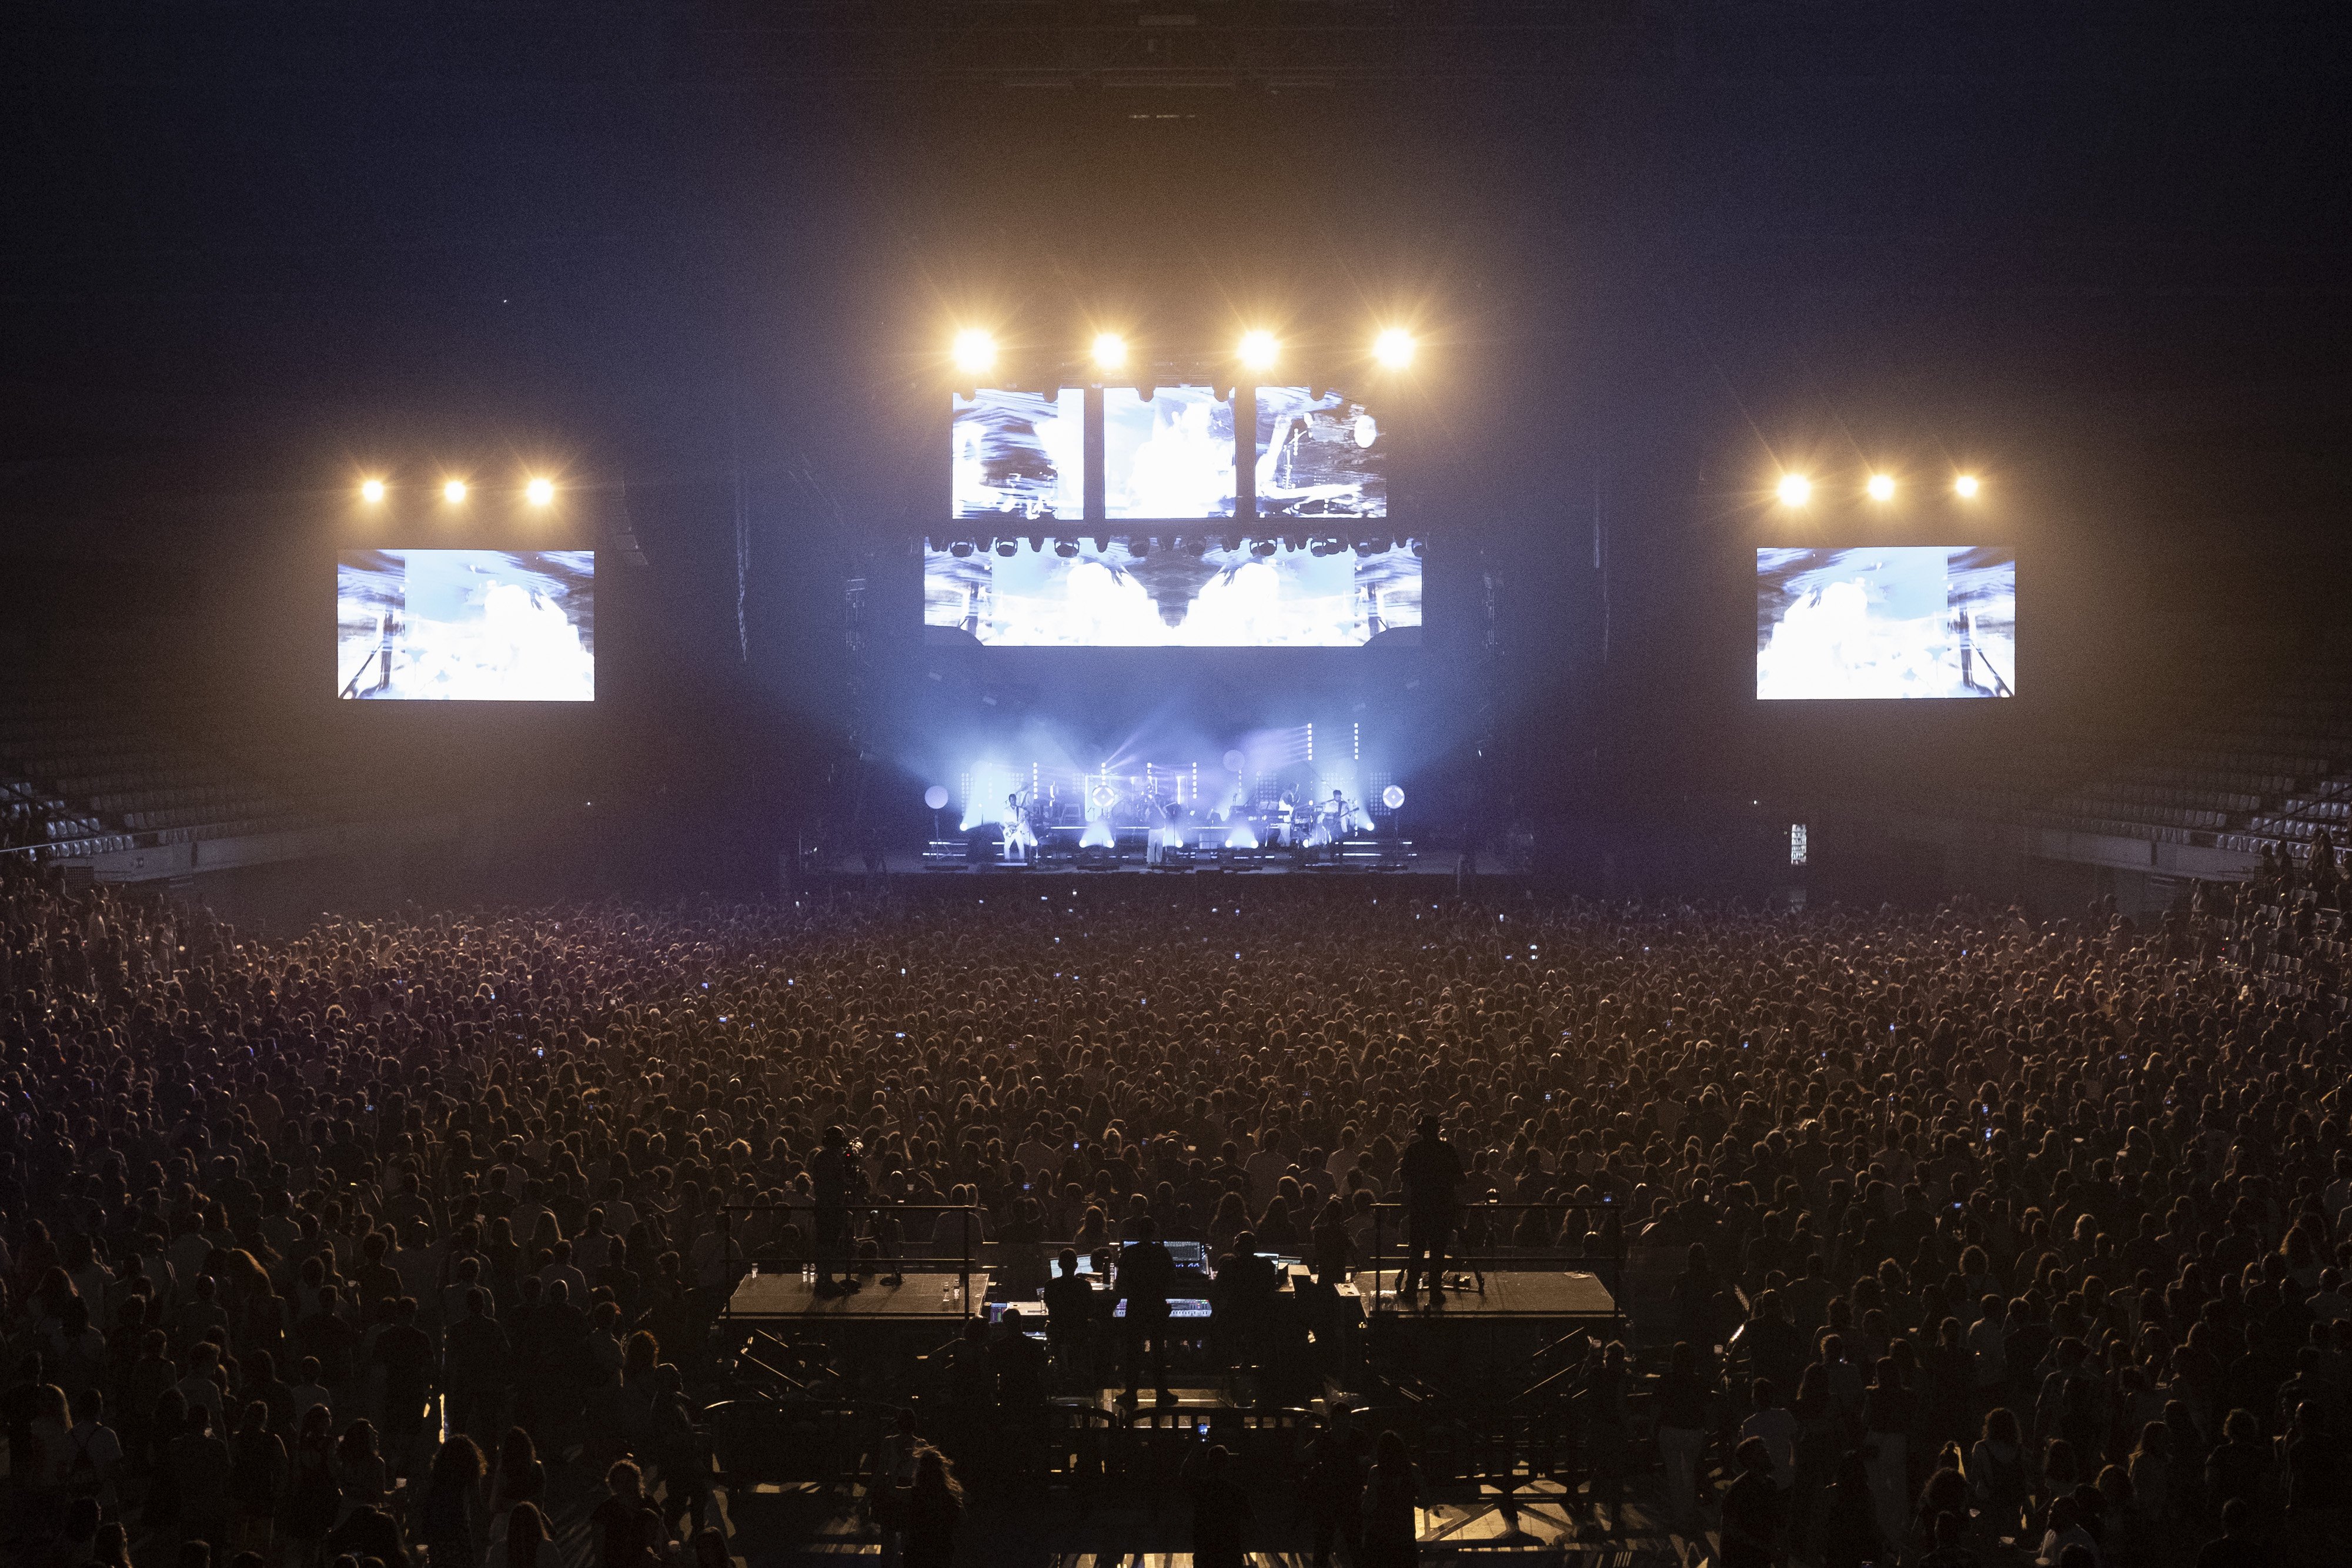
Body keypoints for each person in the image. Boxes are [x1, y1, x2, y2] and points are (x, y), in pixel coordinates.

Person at [1396, 1114, 1465, 1303]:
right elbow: (1461, 1178)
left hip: (1420, 1207)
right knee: (1437, 1252)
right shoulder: (1448, 1150)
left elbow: (1404, 1176)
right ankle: (1435, 1292)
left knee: (1416, 1251)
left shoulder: (1413, 1150)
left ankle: (1411, 1289)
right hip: (1442, 1208)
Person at [1115, 1217, 1176, 1405]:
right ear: (1154, 1232)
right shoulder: (1162, 1252)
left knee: (1134, 1351)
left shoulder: (1129, 1253)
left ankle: (1131, 1394)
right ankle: (1162, 1393)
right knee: (1158, 1349)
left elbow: (1121, 1284)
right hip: (1157, 1305)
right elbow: (1172, 1281)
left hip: (1136, 1305)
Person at [810, 1126, 861, 1299]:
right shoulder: (832, 1159)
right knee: (828, 1245)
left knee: (826, 1244)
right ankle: (825, 1280)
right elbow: (841, 1183)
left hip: (824, 1205)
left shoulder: (821, 1157)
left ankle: (824, 1278)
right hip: (831, 1206)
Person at [1719, 1436, 1783, 1568]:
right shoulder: (1739, 1490)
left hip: (1760, 1557)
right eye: (1761, 1453)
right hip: (1740, 1559)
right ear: (1750, 1461)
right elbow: (1731, 1529)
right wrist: (1765, 1548)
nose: (1767, 1455)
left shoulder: (1770, 1485)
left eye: (1766, 1452)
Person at [590, 1459, 667, 1568]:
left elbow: (662, 1529)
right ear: (614, 1485)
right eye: (620, 1481)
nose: (625, 1485)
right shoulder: (605, 1510)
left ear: (637, 1480)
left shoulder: (648, 1501)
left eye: (629, 1480)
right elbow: (599, 1546)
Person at [1361, 1429, 1421, 1568]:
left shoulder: (1376, 1472)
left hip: (1380, 1536)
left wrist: (1364, 1497)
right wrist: (1411, 1498)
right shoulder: (1413, 1470)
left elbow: (1369, 1506)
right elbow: (1425, 1502)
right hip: (1405, 1534)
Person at [1187, 1443, 1252, 1568]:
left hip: (1205, 1552)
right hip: (1230, 1553)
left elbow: (1184, 1474)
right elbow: (1251, 1521)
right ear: (1227, 1465)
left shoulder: (1200, 1488)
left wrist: (1195, 1449)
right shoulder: (1237, 1492)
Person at [903, 1447, 961, 1568]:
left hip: (917, 1548)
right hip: (942, 1549)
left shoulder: (913, 1493)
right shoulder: (949, 1496)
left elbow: (891, 1491)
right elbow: (961, 1521)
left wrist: (898, 1468)